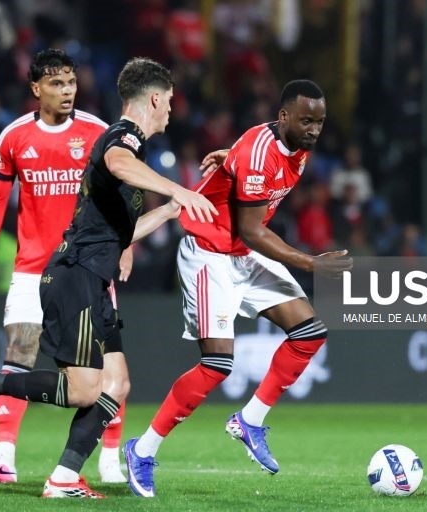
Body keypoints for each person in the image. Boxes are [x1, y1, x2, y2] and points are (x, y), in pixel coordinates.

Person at [0, 57, 218, 499]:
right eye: (168, 100)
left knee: (117, 383)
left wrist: (168, 211)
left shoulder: (119, 139)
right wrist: (175, 188)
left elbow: (123, 227)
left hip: (93, 278)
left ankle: (66, 476)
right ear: (153, 98)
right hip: (76, 277)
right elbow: (118, 160)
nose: (171, 108)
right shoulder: (121, 135)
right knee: (84, 389)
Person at [122, 80, 353, 498]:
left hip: (242, 250)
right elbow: (252, 227)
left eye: (319, 122)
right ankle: (142, 449)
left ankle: (250, 420)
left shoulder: (293, 146)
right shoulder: (263, 148)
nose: (315, 130)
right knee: (217, 365)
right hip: (210, 252)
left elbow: (252, 176)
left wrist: (233, 162)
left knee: (309, 332)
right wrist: (310, 263)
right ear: (284, 116)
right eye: (306, 120)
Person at [0, 48, 132, 485]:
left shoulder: (98, 132)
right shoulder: (14, 137)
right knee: (18, 352)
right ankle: (4, 458)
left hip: (87, 266)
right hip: (30, 267)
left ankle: (109, 460)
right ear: (36, 88)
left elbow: (124, 192)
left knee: (107, 365)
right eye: (57, 84)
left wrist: (125, 247)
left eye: (72, 82)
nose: (67, 91)